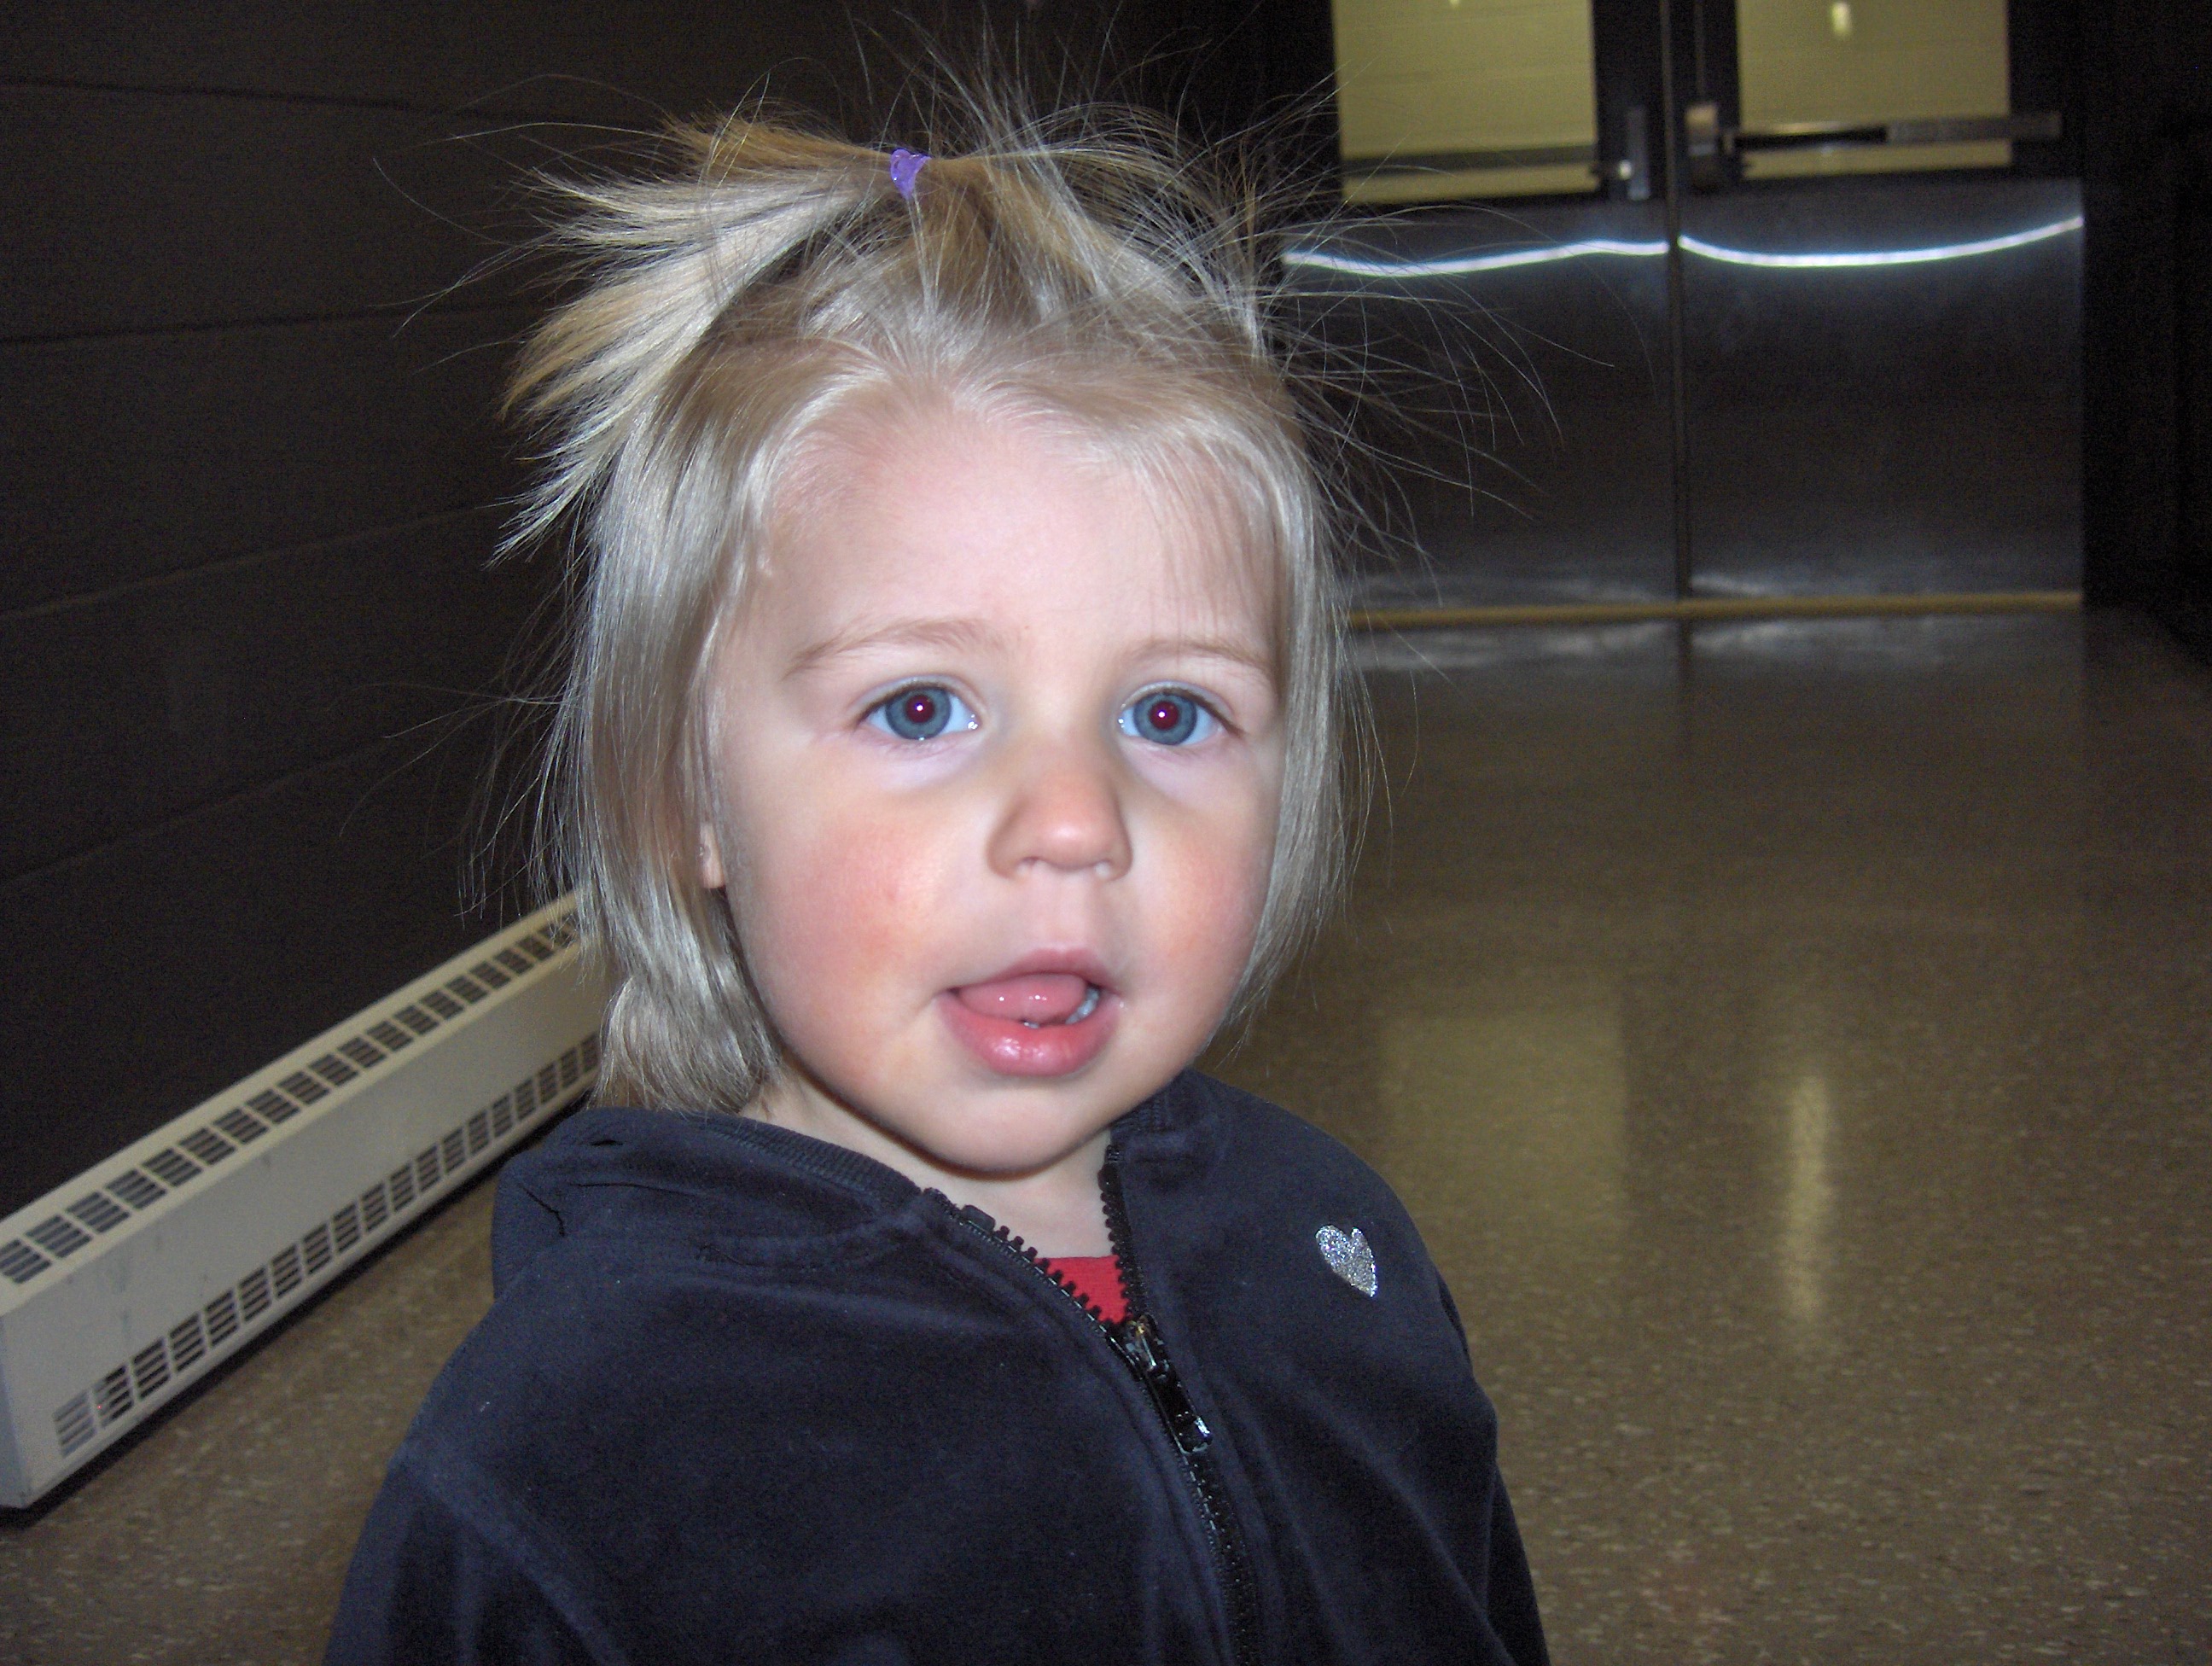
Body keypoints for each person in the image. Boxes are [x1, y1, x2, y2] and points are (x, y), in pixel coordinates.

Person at [324, 102, 1549, 1666]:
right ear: (682, 795)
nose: (1074, 823)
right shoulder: (573, 1454)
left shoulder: (1335, 1246)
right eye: (921, 709)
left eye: (1171, 714)